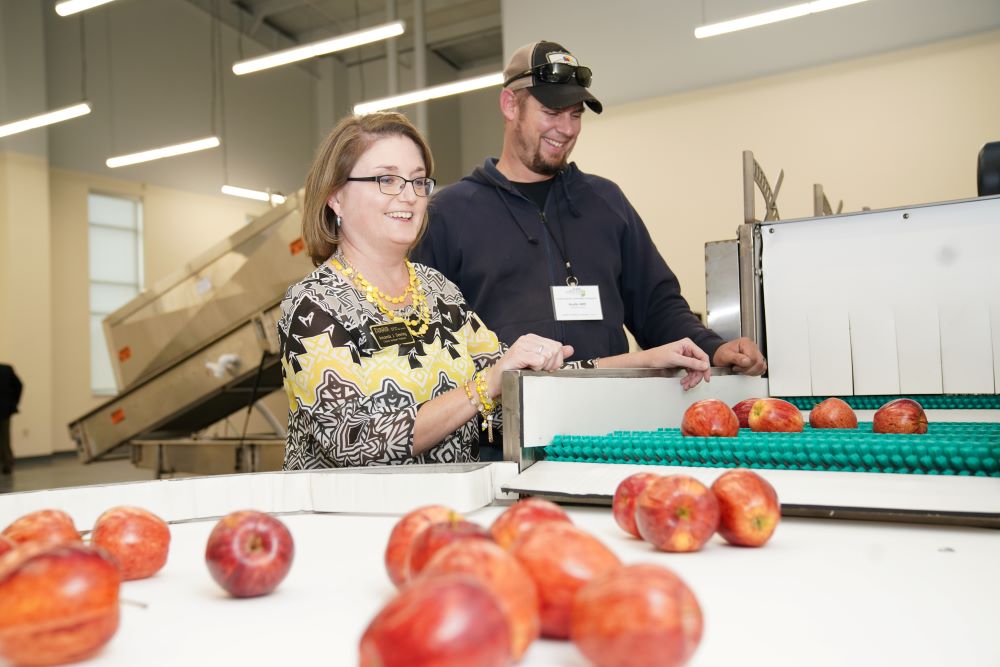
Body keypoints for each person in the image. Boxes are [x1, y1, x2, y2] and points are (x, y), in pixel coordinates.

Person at [278, 112, 713, 469]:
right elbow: (355, 444)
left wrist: (644, 362)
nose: (407, 196)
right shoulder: (314, 306)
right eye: (386, 180)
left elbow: (521, 382)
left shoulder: (438, 294)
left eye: (417, 180)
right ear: (335, 197)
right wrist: (483, 386)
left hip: (446, 521)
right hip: (349, 531)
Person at [412, 40, 767, 376]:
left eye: (575, 114)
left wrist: (713, 348)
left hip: (606, 426)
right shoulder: (450, 213)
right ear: (509, 105)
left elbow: (656, 305)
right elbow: (429, 338)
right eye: (551, 112)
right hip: (501, 430)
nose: (566, 129)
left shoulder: (605, 202)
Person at [0, 363, 23, 475]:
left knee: (4, 437)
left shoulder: (6, 369)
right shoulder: (7, 369)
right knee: (5, 437)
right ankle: (7, 463)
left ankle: (6, 462)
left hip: (4, 409)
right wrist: (14, 402)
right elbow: (19, 385)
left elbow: (19, 385)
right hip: (5, 409)